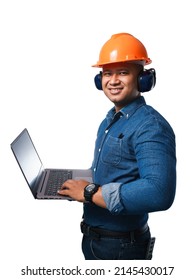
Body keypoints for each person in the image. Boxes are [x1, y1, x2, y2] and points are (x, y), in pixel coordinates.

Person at [58, 33, 176, 260]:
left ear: (143, 79)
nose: (113, 81)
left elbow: (159, 192)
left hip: (120, 247)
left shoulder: (150, 126)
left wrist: (89, 192)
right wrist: (81, 181)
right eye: (107, 73)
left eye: (123, 72)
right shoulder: (112, 119)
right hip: (98, 241)